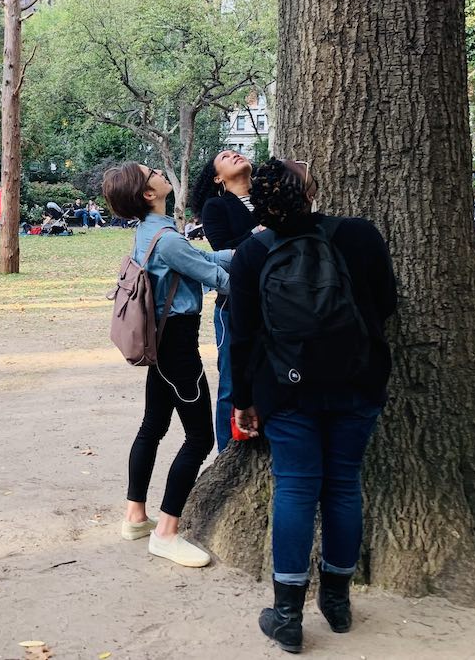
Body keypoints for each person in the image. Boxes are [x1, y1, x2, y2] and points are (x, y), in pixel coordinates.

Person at [227, 159, 397, 653]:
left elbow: (241, 337)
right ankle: (338, 604)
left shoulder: (252, 254)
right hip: (357, 380)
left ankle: (286, 615)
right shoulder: (360, 236)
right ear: (311, 191)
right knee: (344, 484)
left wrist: (243, 401)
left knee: (296, 490)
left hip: (285, 389)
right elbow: (386, 302)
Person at [104, 161, 231, 570]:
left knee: (152, 427)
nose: (161, 173)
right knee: (199, 438)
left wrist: (251, 248)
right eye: (153, 172)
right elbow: (216, 276)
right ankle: (166, 533)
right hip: (177, 346)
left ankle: (136, 517)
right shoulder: (166, 239)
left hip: (160, 341)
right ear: (148, 194)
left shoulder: (150, 232)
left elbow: (201, 257)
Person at [192, 149, 258, 453]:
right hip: (234, 306)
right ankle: (227, 451)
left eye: (236, 151)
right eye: (225, 156)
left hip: (278, 303)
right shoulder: (216, 206)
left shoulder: (270, 195)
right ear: (218, 177)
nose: (234, 154)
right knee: (232, 381)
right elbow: (227, 253)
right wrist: (262, 230)